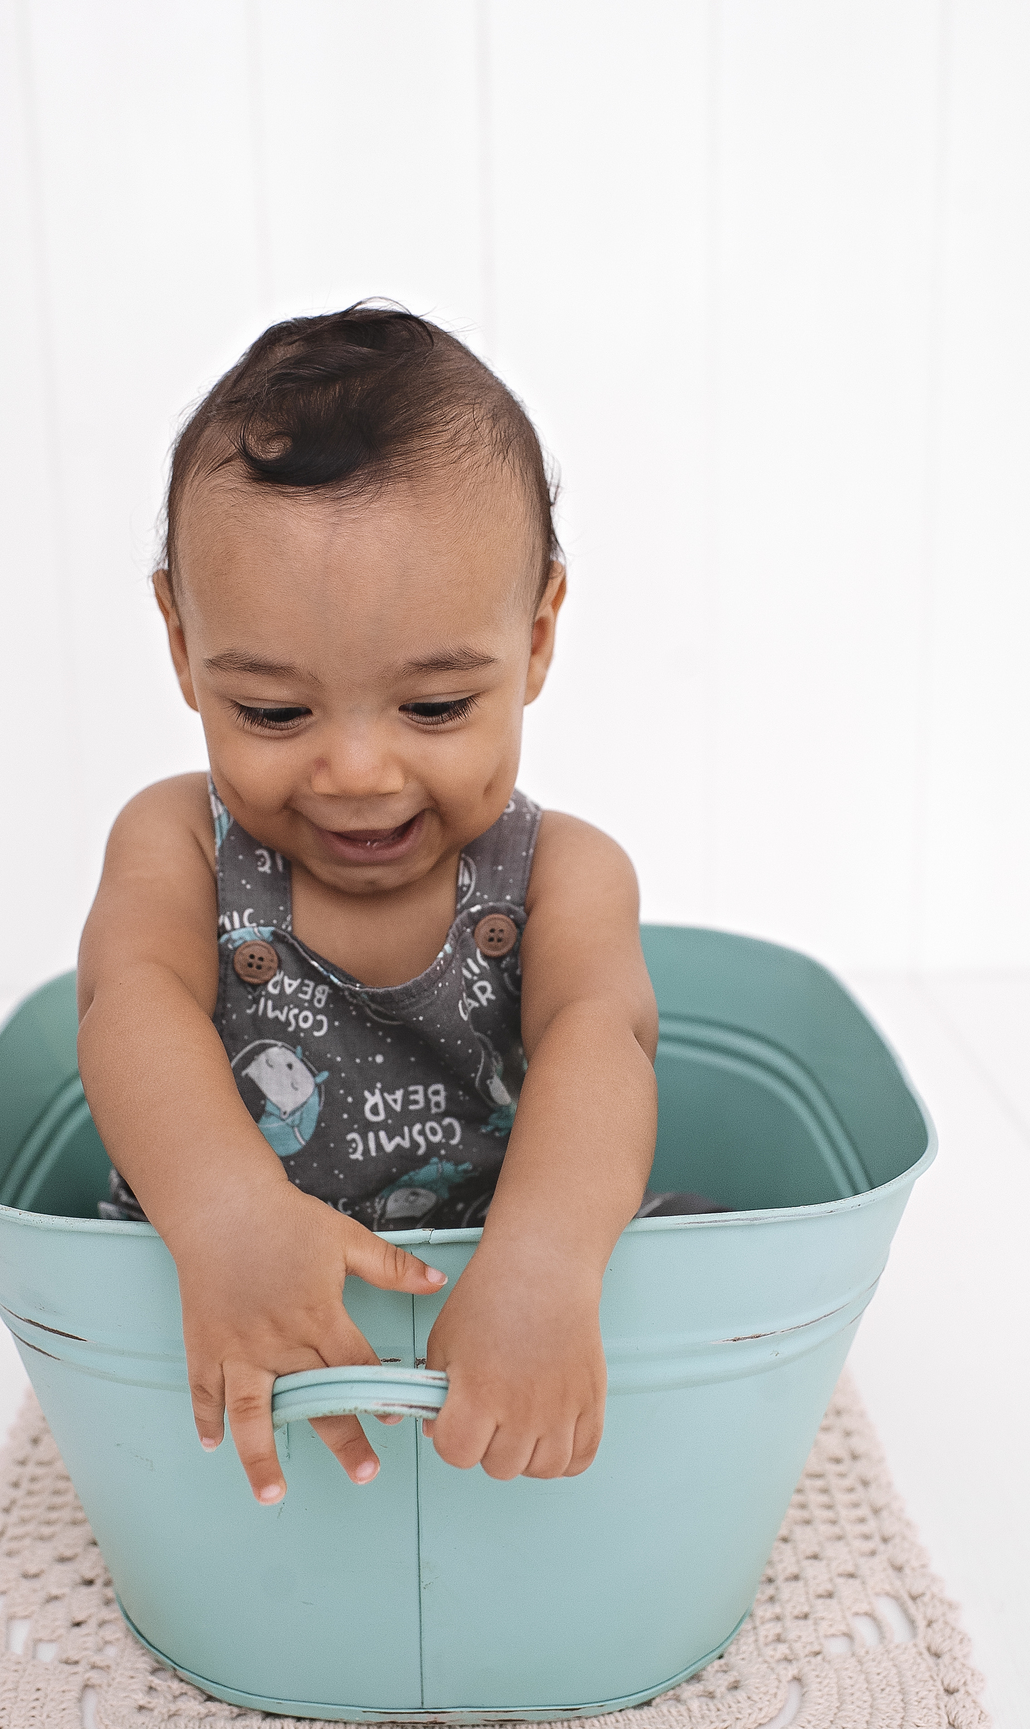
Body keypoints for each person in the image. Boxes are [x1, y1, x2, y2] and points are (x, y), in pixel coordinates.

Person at [77, 303, 659, 1509]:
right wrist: (224, 1216)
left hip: (487, 1288)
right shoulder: (178, 845)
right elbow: (128, 1003)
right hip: (219, 1280)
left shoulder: (564, 875)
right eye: (274, 713)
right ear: (182, 644)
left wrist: (545, 1263)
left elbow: (600, 1042)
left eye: (434, 708)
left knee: (676, 1254)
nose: (355, 772)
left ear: (536, 638)